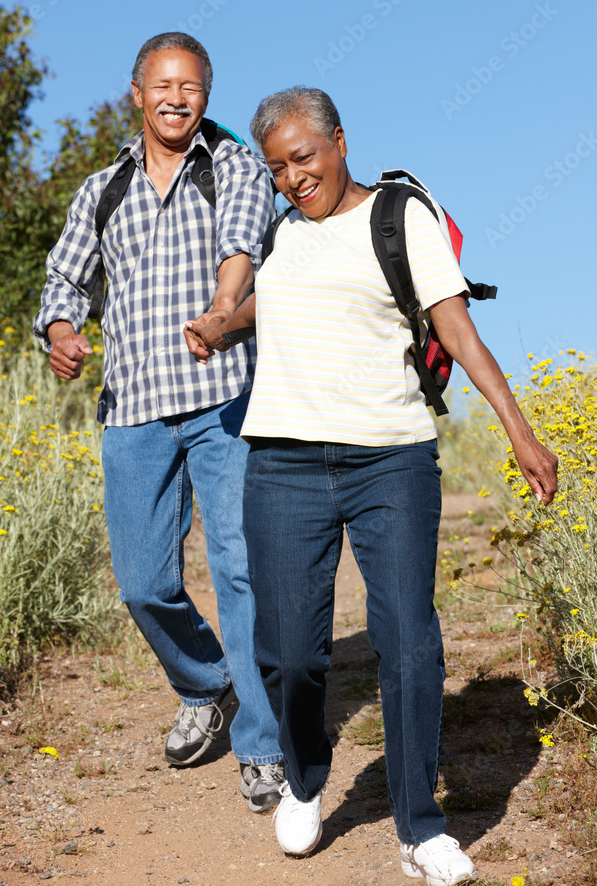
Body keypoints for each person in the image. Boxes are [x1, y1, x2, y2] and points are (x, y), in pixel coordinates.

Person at [184, 86, 558, 880]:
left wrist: (518, 430)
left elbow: (455, 325)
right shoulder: (283, 234)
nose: (293, 177)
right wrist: (224, 322)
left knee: (409, 645)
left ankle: (421, 828)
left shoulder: (399, 217)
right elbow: (278, 301)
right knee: (287, 652)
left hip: (389, 457)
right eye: (279, 168)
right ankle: (306, 779)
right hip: (282, 463)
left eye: (304, 158)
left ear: (339, 141)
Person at [33, 33, 284, 813]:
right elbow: (65, 275)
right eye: (163, 85)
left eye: (193, 87)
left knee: (243, 571)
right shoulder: (101, 187)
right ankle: (207, 684)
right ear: (136, 93)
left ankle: (264, 746)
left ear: (207, 96)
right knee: (143, 582)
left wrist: (221, 308)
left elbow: (241, 244)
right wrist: (61, 333)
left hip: (226, 397)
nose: (177, 98)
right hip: (135, 407)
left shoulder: (233, 166)